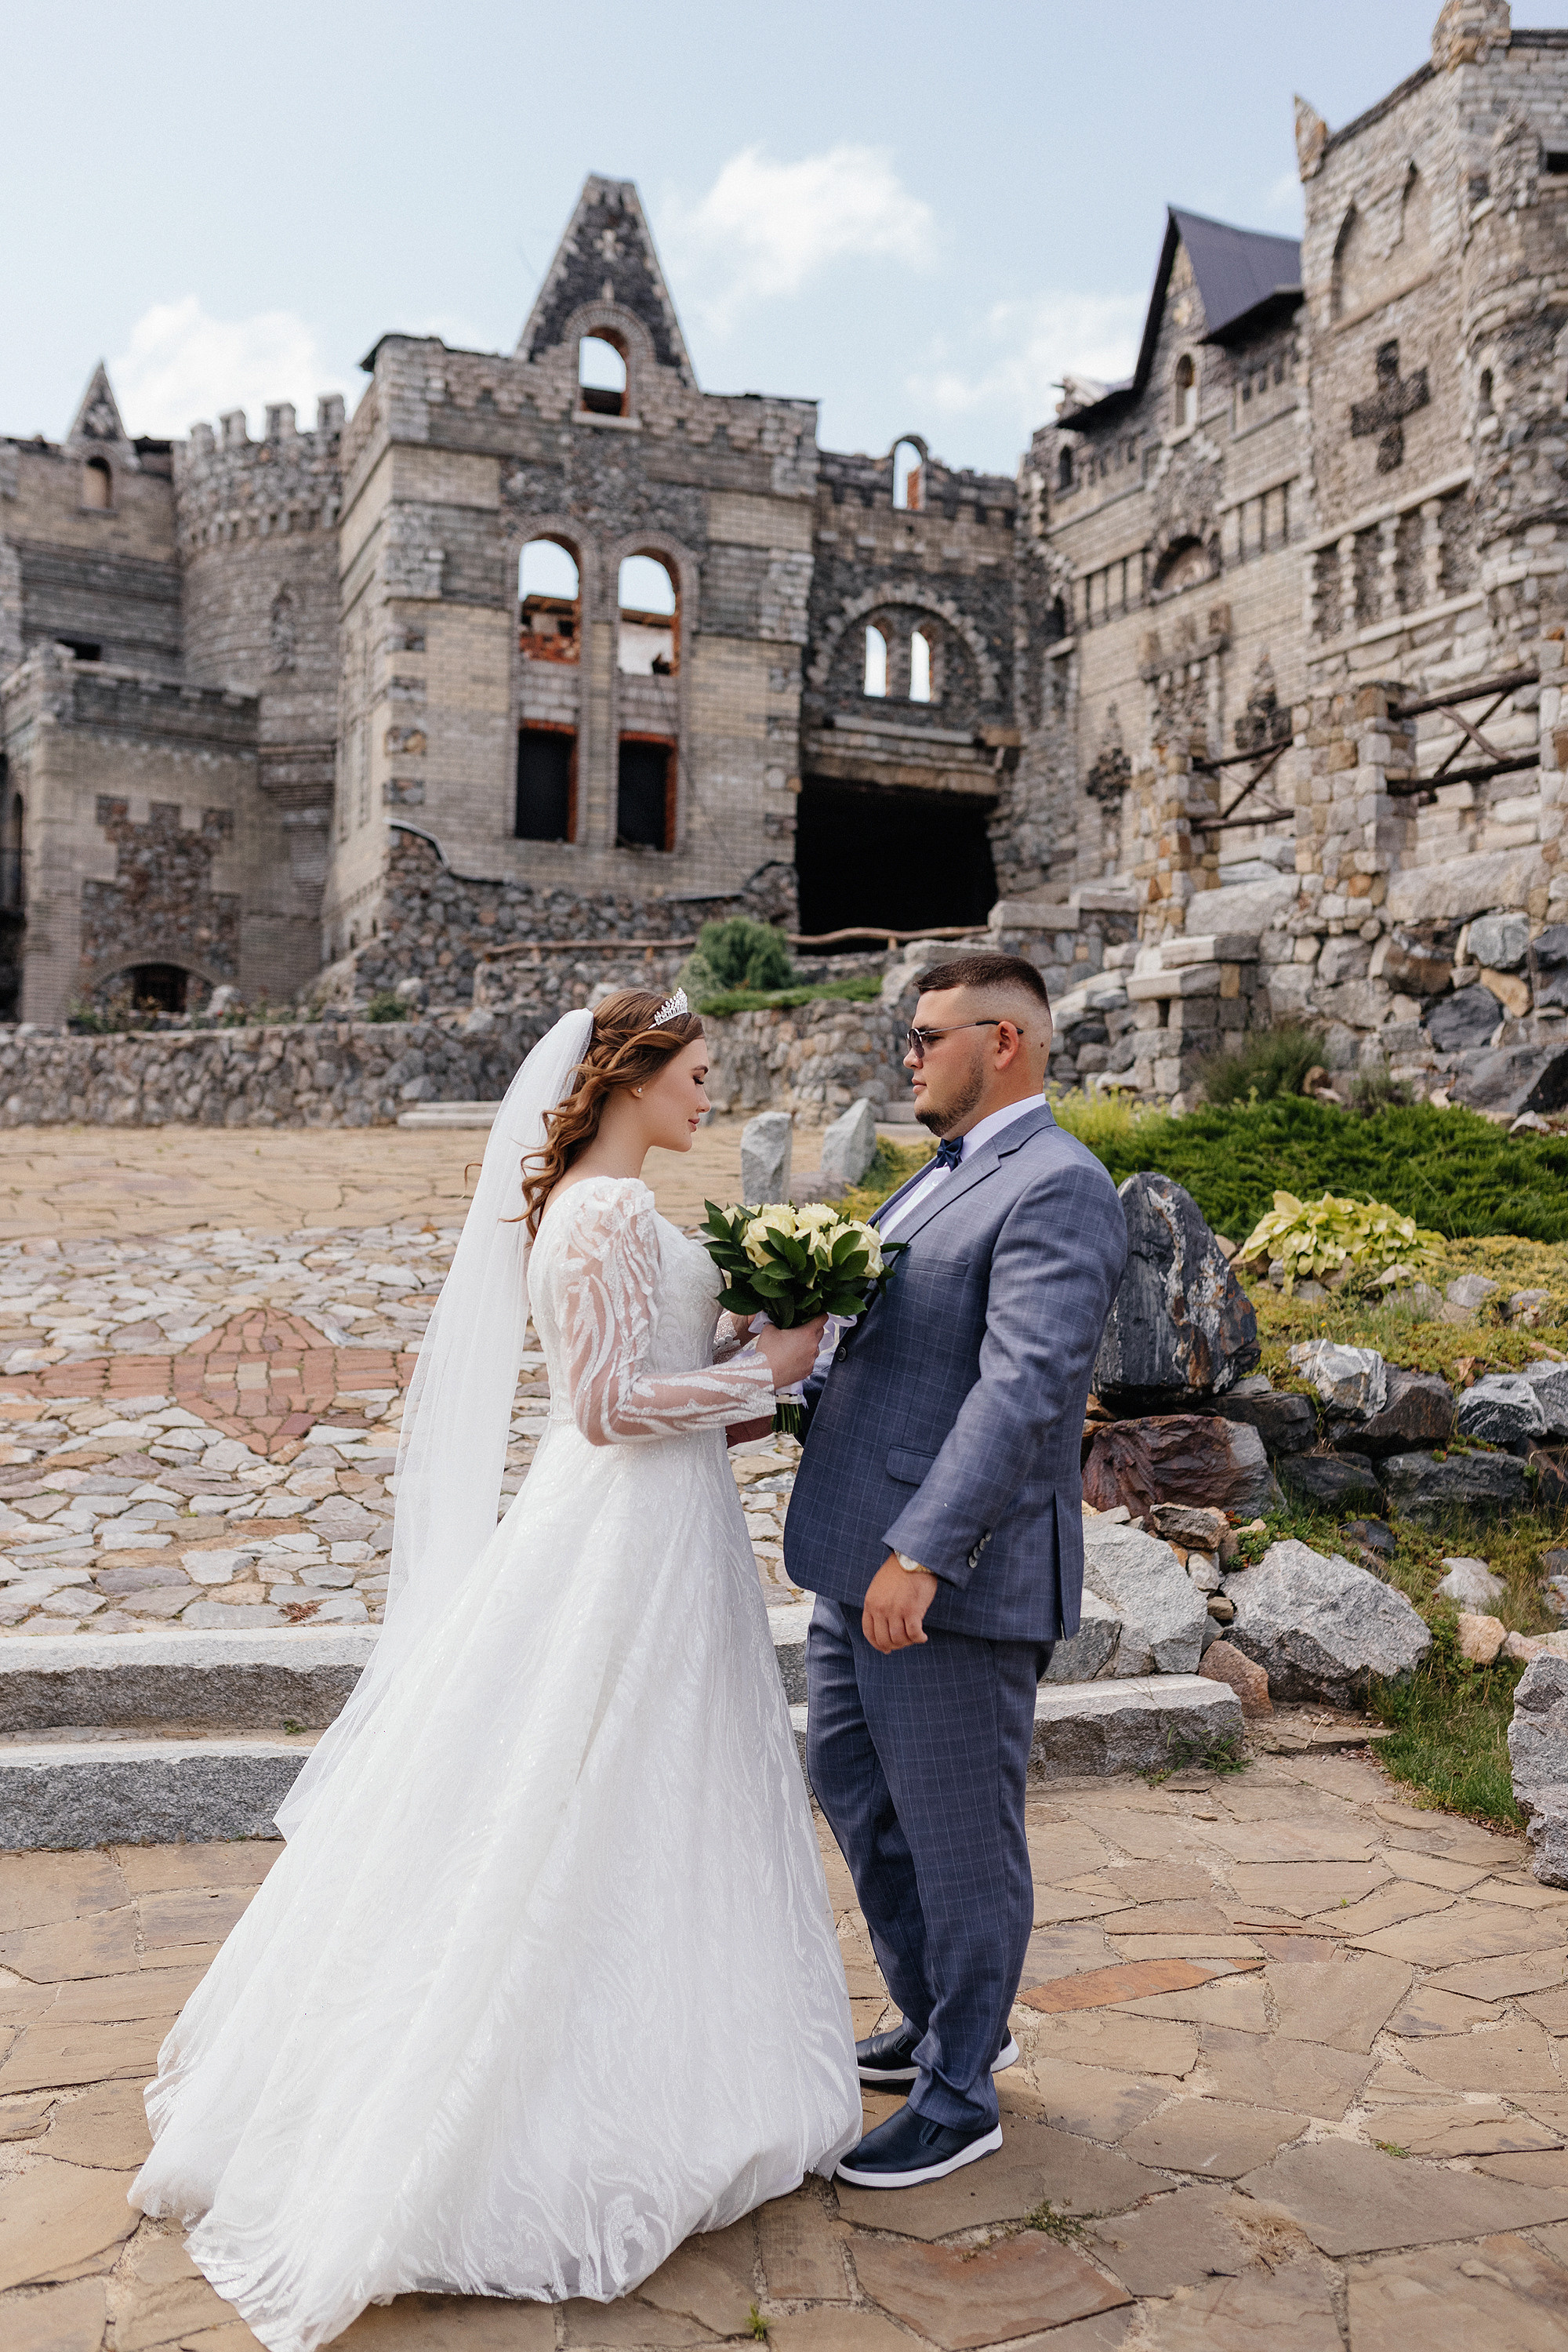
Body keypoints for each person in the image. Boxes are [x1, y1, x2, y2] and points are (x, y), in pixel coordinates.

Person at [131, 989, 862, 2352]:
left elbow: (647, 1371)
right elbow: (603, 1409)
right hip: (617, 1530)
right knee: (577, 1781)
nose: (713, 1094)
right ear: (635, 1076)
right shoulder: (598, 1213)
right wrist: (772, 1371)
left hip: (664, 1524)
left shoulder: (618, 1208)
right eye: (699, 1074)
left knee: (659, 1779)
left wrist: (743, 1360)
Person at [784, 953, 1128, 2190]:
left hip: (948, 1581)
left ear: (1007, 1042)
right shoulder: (937, 1178)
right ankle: (942, 2020)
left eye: (930, 1037)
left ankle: (961, 2092)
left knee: (958, 1834)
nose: (911, 1055)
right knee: (854, 1786)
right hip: (854, 1557)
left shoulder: (1060, 1187)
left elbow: (1024, 1388)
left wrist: (924, 1551)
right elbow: (884, 1346)